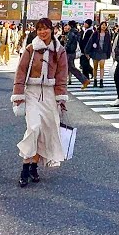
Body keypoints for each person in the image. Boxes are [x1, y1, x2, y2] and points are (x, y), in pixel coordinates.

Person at [11, 19, 69, 187]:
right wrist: (18, 95)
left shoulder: (59, 51)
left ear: (52, 30)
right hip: (32, 92)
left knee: (46, 130)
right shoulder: (31, 49)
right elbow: (20, 72)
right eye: (39, 29)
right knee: (33, 128)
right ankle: (24, 167)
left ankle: (34, 166)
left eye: (45, 29)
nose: (42, 32)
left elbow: (61, 76)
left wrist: (61, 99)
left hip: (50, 94)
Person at [86, 20, 113, 88]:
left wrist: (109, 53)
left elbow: (109, 44)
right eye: (102, 25)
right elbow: (90, 41)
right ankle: (95, 80)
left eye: (105, 25)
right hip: (95, 51)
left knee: (102, 66)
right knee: (95, 67)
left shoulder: (107, 34)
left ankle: (101, 81)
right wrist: (87, 51)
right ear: (100, 26)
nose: (104, 26)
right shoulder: (95, 33)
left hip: (103, 52)